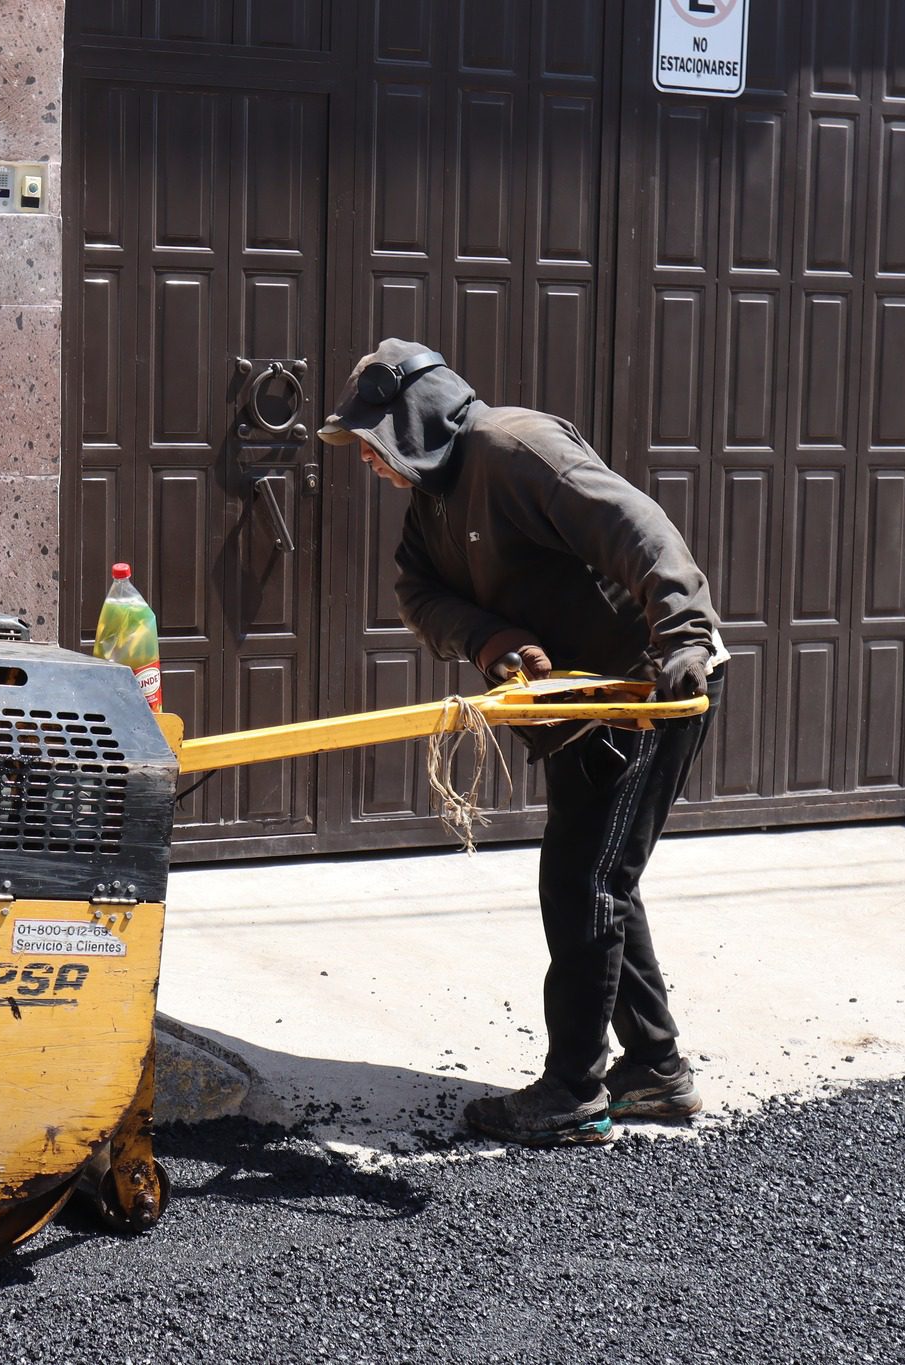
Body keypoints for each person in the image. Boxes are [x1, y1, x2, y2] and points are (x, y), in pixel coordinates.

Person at [316, 338, 727, 1147]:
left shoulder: (514, 448)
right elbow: (417, 592)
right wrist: (492, 636)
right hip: (575, 701)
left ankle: (575, 1088)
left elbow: (633, 523)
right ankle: (655, 1070)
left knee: (584, 880)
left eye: (373, 441)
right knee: (598, 875)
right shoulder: (431, 512)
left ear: (415, 417)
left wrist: (681, 630)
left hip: (647, 686)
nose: (368, 460)